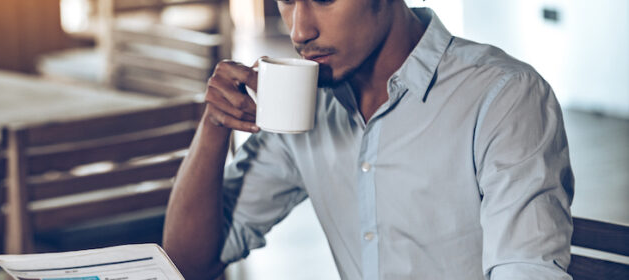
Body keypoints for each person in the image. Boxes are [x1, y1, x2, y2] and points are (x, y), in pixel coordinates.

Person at [162, 0, 574, 279]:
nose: (299, 30)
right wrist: (215, 125)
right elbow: (188, 263)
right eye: (286, 0)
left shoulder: (504, 96)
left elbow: (526, 269)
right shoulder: (309, 104)